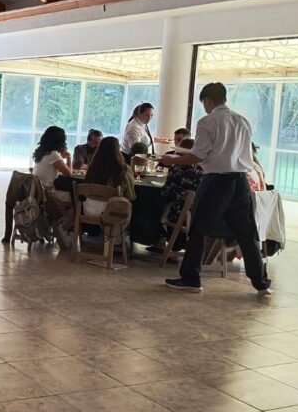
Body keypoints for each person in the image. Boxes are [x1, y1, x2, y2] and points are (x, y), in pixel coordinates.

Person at [159, 82, 272, 296]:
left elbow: (197, 156)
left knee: (198, 229)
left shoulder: (207, 122)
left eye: (204, 103)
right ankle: (261, 282)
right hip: (241, 182)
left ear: (207, 100)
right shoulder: (242, 121)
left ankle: (191, 279)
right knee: (247, 233)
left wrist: (171, 160)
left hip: (217, 182)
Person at [153, 137, 203, 252]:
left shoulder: (176, 171)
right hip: (196, 214)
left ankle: (159, 239)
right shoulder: (202, 173)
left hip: (177, 214)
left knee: (156, 206)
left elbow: (165, 192)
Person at [32, 126, 74, 248]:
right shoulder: (54, 155)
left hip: (37, 192)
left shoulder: (41, 153)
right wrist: (69, 158)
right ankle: (63, 229)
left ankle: (56, 227)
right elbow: (69, 174)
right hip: (48, 194)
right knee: (77, 201)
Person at [84, 136, 136, 216]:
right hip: (112, 212)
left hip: (89, 210)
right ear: (118, 150)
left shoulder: (92, 167)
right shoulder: (124, 169)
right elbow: (130, 195)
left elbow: (85, 193)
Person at [32, 126, 72, 190]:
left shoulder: (42, 152)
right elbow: (69, 174)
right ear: (60, 141)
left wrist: (60, 157)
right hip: (47, 191)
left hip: (37, 190)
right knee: (72, 189)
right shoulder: (53, 154)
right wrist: (68, 157)